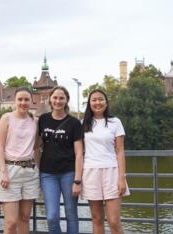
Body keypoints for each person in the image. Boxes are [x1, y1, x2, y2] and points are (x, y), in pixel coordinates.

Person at [81, 89, 130, 234]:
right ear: (89, 104)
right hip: (90, 172)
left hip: (112, 172)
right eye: (94, 100)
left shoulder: (115, 122)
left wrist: (122, 178)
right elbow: (78, 151)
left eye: (101, 99)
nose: (97, 103)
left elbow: (120, 151)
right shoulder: (83, 123)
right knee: (96, 219)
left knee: (114, 221)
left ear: (106, 102)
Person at [38, 86, 84, 234]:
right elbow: (36, 146)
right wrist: (36, 170)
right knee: (51, 216)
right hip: (47, 174)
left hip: (69, 174)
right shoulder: (43, 119)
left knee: (71, 214)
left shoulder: (74, 123)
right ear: (50, 99)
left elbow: (79, 153)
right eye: (55, 98)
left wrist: (77, 180)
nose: (58, 101)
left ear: (66, 100)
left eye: (61, 98)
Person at [0, 87, 40, 234]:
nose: (23, 102)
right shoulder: (6, 118)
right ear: (14, 101)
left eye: (26, 99)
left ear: (31, 101)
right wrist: (3, 173)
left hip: (29, 172)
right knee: (11, 222)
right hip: (10, 170)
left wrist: (37, 169)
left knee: (25, 218)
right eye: (20, 99)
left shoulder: (35, 121)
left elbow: (36, 148)